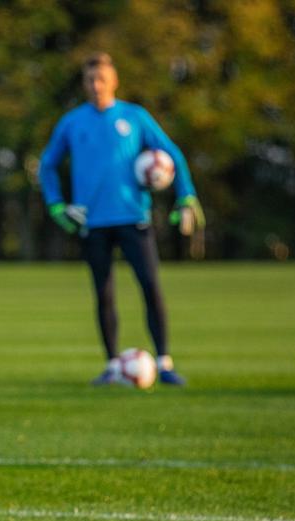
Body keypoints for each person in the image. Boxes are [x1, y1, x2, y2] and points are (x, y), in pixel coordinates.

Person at [39, 52, 204, 387]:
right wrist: (57, 206)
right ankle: (113, 366)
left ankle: (165, 363)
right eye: (89, 80)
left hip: (133, 218)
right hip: (92, 223)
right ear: (84, 84)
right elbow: (46, 165)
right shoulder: (72, 122)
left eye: (101, 79)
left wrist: (186, 195)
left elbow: (172, 155)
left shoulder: (135, 116)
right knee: (104, 293)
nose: (95, 85)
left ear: (114, 81)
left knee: (151, 287)